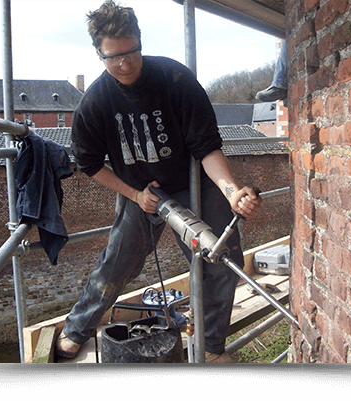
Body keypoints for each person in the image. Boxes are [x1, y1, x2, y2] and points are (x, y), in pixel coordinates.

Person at [56, 0, 262, 363]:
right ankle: (76, 329)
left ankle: (211, 348)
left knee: (220, 256)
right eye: (112, 57)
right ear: (98, 54)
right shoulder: (94, 104)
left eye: (130, 52)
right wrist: (134, 195)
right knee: (117, 264)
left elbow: (207, 146)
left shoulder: (175, 80)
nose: (124, 63)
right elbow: (89, 164)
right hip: (141, 192)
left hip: (193, 182)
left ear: (139, 40)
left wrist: (231, 192)